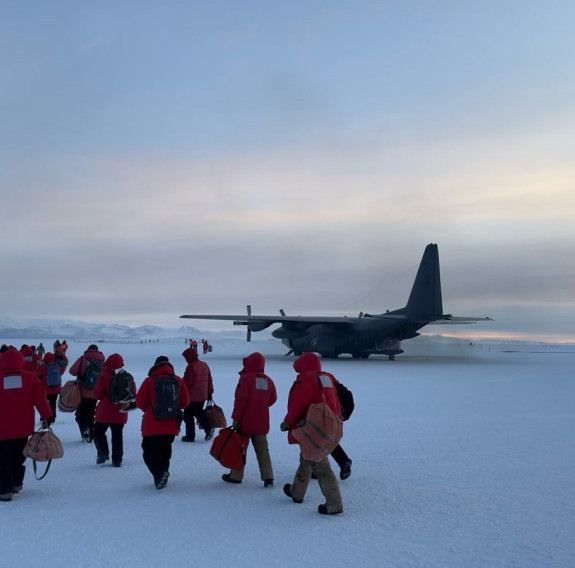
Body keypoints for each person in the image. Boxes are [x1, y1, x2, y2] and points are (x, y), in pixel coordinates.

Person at [280, 352, 344, 515]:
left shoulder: (306, 379)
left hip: (312, 426)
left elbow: (298, 404)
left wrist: (288, 421)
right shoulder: (326, 377)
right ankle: (297, 491)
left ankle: (334, 503)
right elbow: (335, 400)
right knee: (306, 458)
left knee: (320, 465)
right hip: (327, 422)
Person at [0, 346, 53, 502]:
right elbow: (40, 400)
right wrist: (46, 416)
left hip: (1, 429)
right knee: (19, 456)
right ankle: (16, 484)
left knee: (3, 458)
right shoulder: (30, 378)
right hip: (22, 428)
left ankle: (4, 490)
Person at [221, 352, 277, 487]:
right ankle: (268, 477)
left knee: (240, 449)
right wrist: (261, 405)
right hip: (262, 422)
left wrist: (235, 418)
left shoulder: (245, 379)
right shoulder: (268, 380)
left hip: (245, 422)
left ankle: (236, 476)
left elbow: (240, 401)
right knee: (263, 450)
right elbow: (273, 399)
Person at [135, 355, 189, 490]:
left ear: (155, 366)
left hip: (152, 423)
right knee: (165, 449)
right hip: (171, 424)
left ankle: (159, 475)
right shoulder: (178, 380)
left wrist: (149, 410)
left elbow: (139, 401)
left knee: (149, 451)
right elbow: (185, 402)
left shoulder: (149, 381)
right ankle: (162, 475)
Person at [93, 353, 132, 467]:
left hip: (104, 412)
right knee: (117, 435)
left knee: (98, 432)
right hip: (120, 411)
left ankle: (103, 452)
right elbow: (132, 392)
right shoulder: (126, 376)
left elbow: (97, 394)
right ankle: (117, 459)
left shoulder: (104, 375)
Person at [69, 344, 105, 443]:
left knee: (80, 414)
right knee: (90, 413)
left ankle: (85, 430)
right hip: (95, 393)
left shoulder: (82, 359)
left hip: (81, 392)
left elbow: (72, 371)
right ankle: (91, 435)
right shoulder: (102, 361)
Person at [181, 347, 214, 442]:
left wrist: (180, 389)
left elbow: (187, 382)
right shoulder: (204, 365)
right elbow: (209, 380)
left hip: (192, 396)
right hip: (203, 395)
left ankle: (190, 436)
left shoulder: (191, 366)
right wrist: (210, 392)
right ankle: (208, 428)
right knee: (198, 412)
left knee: (188, 415)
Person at [39, 352, 63, 425]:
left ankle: (46, 417)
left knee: (45, 403)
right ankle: (53, 417)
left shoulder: (43, 366)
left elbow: (37, 374)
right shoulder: (57, 365)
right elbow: (61, 371)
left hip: (46, 388)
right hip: (56, 388)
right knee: (53, 403)